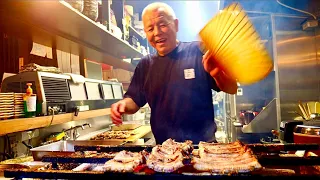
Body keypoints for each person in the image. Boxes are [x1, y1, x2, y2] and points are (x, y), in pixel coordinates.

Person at [110, 2, 238, 144]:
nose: (157, 32)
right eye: (150, 28)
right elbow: (134, 101)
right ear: (146, 33)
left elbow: (232, 88)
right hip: (165, 151)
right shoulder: (145, 65)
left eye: (163, 24)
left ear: (176, 25)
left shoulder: (197, 52)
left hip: (202, 147)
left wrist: (217, 73)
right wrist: (122, 105)